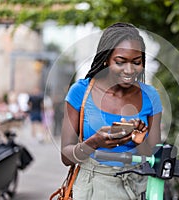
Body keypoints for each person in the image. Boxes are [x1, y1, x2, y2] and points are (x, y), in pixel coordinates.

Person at [61, 22, 162, 199]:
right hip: (91, 187)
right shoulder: (81, 92)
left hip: (135, 187)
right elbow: (66, 157)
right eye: (120, 62)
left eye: (136, 62)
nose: (130, 70)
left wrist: (139, 140)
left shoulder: (150, 96)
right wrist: (93, 142)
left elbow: (155, 160)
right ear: (106, 58)